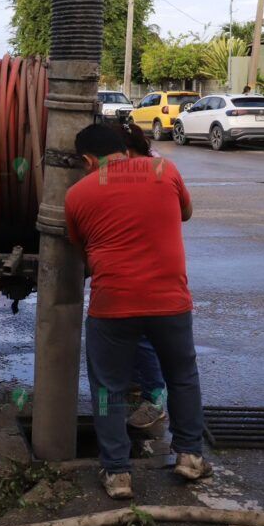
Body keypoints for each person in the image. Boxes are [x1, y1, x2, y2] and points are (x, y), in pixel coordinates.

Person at [65, 123, 212, 500]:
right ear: (125, 150)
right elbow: (186, 213)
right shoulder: (166, 171)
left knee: (108, 388)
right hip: (170, 301)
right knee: (182, 375)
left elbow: (87, 259)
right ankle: (190, 457)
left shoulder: (77, 194)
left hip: (113, 304)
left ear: (87, 160)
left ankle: (117, 474)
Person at [110, 122, 167, 430]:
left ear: (127, 152)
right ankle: (135, 380)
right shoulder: (154, 163)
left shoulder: (143, 171)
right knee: (132, 330)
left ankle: (155, 400)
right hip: (148, 259)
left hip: (144, 263)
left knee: (141, 333)